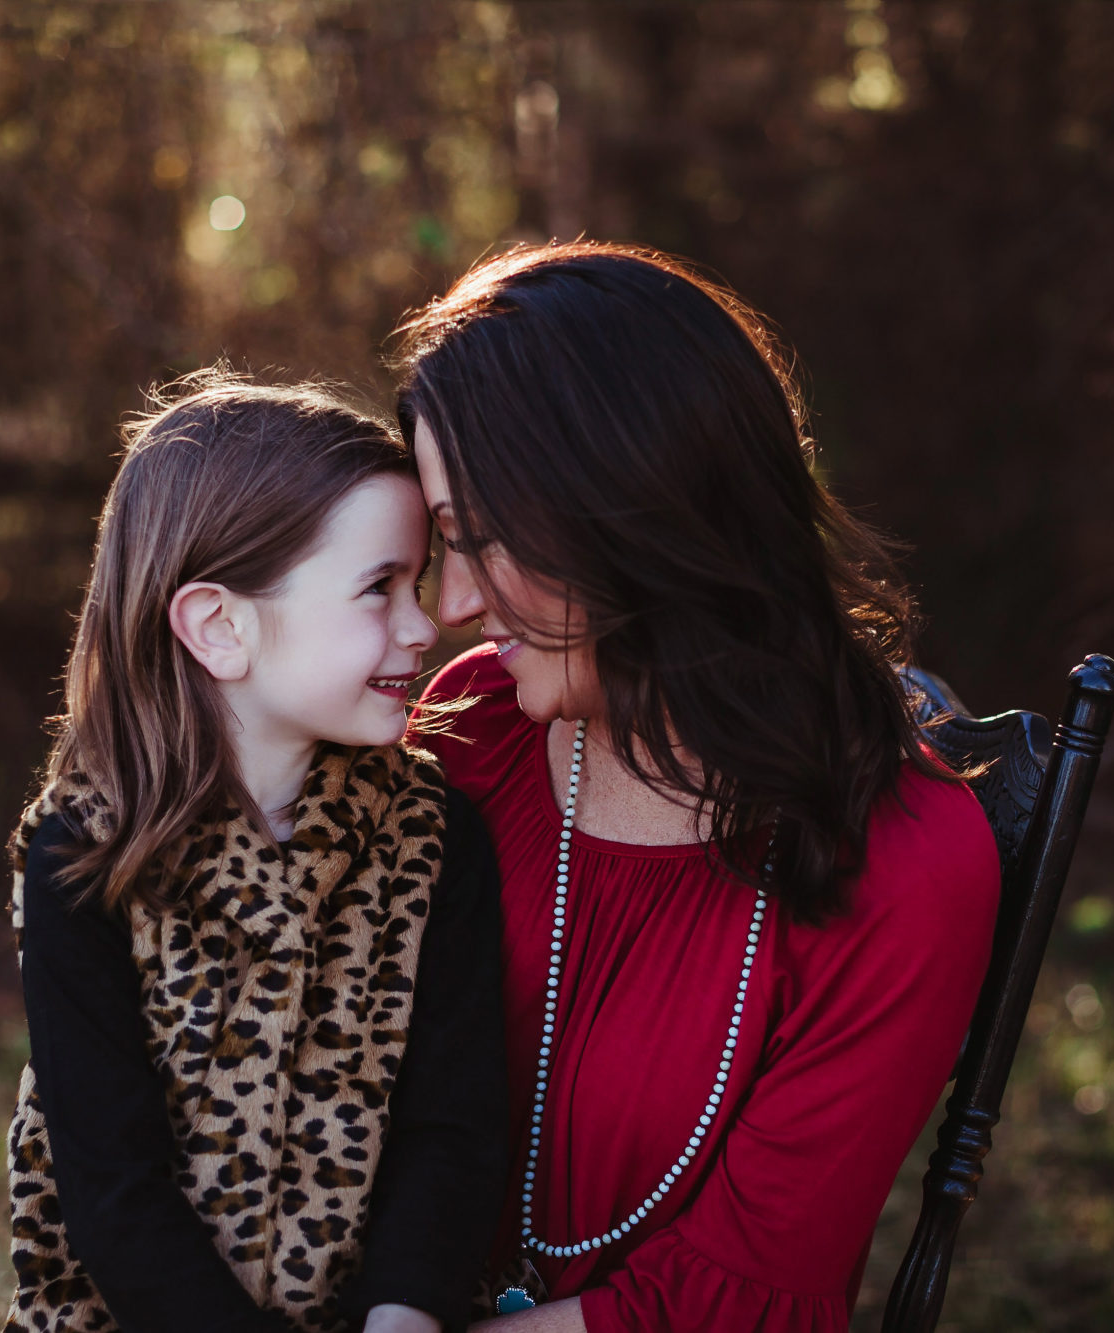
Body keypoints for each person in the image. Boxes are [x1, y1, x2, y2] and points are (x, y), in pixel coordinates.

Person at [395, 243, 1002, 1333]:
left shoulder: (907, 863)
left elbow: (724, 1308)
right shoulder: (472, 730)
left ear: (623, 509)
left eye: (473, 540)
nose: (449, 602)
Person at [0, 372, 508, 1333]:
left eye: (421, 579)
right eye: (379, 587)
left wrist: (403, 1315)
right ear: (220, 625)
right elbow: (113, 1187)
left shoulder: (434, 843)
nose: (426, 623)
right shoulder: (85, 858)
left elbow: (453, 1130)